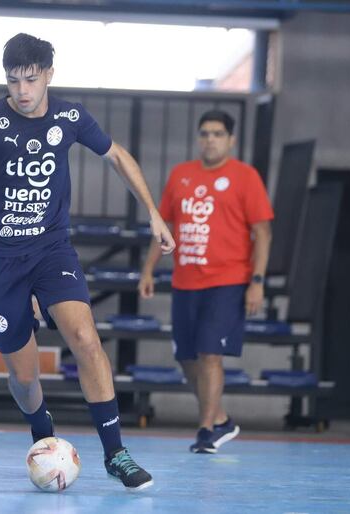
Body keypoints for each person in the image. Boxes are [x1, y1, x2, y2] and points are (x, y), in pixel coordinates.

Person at [0, 33, 174, 492]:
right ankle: (43, 432)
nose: (22, 90)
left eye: (31, 80)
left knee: (85, 337)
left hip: (51, 249)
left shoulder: (70, 117)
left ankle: (115, 452)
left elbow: (117, 156)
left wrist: (153, 211)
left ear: (49, 75)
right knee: (24, 376)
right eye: (13, 81)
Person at [138, 109, 273, 454]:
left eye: (217, 134)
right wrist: (148, 269)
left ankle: (206, 431)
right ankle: (222, 419)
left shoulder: (245, 177)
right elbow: (164, 225)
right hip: (186, 281)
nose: (210, 140)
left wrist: (257, 281)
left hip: (228, 280)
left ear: (231, 140)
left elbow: (263, 232)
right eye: (205, 133)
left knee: (210, 354)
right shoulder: (181, 174)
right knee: (187, 358)